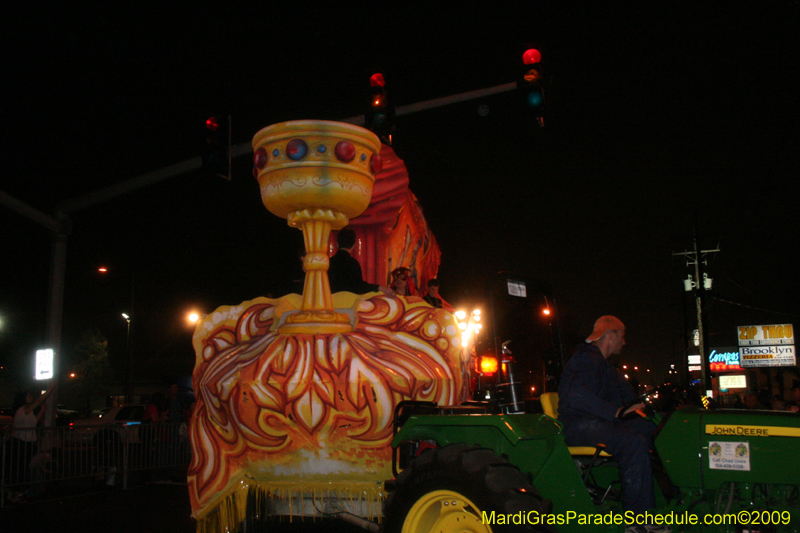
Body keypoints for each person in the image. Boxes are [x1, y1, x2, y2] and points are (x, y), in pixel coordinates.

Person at [557, 316, 669, 533]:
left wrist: (655, 414)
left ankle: (676, 501)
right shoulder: (586, 359)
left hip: (599, 422)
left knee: (660, 431)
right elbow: (576, 395)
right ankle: (637, 521)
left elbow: (628, 398)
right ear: (610, 335)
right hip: (577, 425)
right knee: (633, 442)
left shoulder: (607, 368)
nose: (624, 342)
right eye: (622, 336)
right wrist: (615, 411)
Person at [9, 382, 55, 502]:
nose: (31, 397)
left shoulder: (27, 411)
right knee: (20, 468)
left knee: (25, 468)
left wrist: (42, 411)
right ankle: (16, 493)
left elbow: (34, 423)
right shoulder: (24, 409)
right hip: (21, 443)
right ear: (23, 398)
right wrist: (50, 390)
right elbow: (39, 400)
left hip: (28, 444)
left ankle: (19, 492)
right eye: (28, 395)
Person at [329, 228, 394, 297]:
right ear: (354, 245)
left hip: (331, 303)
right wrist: (378, 287)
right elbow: (359, 286)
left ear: (337, 244)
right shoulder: (353, 263)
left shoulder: (329, 262)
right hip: (348, 304)